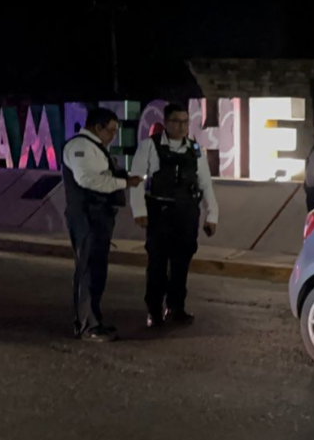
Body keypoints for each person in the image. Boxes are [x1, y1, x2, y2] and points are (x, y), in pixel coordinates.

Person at [130, 103, 219, 328]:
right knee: (158, 263)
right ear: (166, 122)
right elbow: (136, 181)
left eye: (185, 122)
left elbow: (205, 182)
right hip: (160, 212)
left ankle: (176, 307)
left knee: (181, 263)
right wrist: (139, 211)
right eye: (176, 122)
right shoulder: (149, 146)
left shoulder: (194, 149)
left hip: (187, 212)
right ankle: (154, 310)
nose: (181, 127)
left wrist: (212, 214)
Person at [61, 107, 144, 342]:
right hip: (86, 216)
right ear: (98, 127)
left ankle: (94, 320)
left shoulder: (96, 148)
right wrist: (123, 182)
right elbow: (87, 180)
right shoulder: (80, 147)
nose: (114, 136)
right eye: (112, 131)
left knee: (98, 271)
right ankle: (86, 325)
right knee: (88, 270)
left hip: (99, 216)